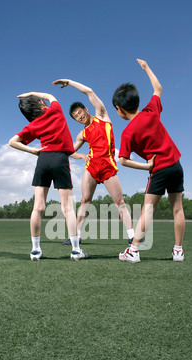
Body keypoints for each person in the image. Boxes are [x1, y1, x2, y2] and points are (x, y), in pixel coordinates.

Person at [112, 59, 185, 263]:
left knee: (148, 209)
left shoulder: (127, 133)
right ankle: (178, 250)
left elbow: (123, 160)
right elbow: (158, 88)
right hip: (176, 165)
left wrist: (146, 166)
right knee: (177, 208)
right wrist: (146, 68)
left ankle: (133, 250)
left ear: (119, 109)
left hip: (159, 170)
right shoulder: (151, 111)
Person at [52, 78, 137, 246]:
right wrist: (82, 156)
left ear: (85, 109)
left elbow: (89, 91)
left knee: (119, 202)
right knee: (85, 201)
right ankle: (76, 236)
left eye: (79, 113)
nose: (79, 117)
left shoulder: (102, 116)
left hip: (107, 165)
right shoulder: (82, 134)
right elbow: (69, 151)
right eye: (75, 117)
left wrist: (69, 82)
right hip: (91, 167)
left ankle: (132, 235)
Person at [8, 91, 88, 261]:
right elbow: (50, 95)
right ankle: (75, 250)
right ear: (41, 104)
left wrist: (33, 150)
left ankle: (35, 251)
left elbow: (12, 141)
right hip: (60, 159)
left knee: (38, 207)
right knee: (67, 208)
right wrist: (31, 93)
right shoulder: (55, 109)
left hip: (43, 159)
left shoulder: (34, 124)